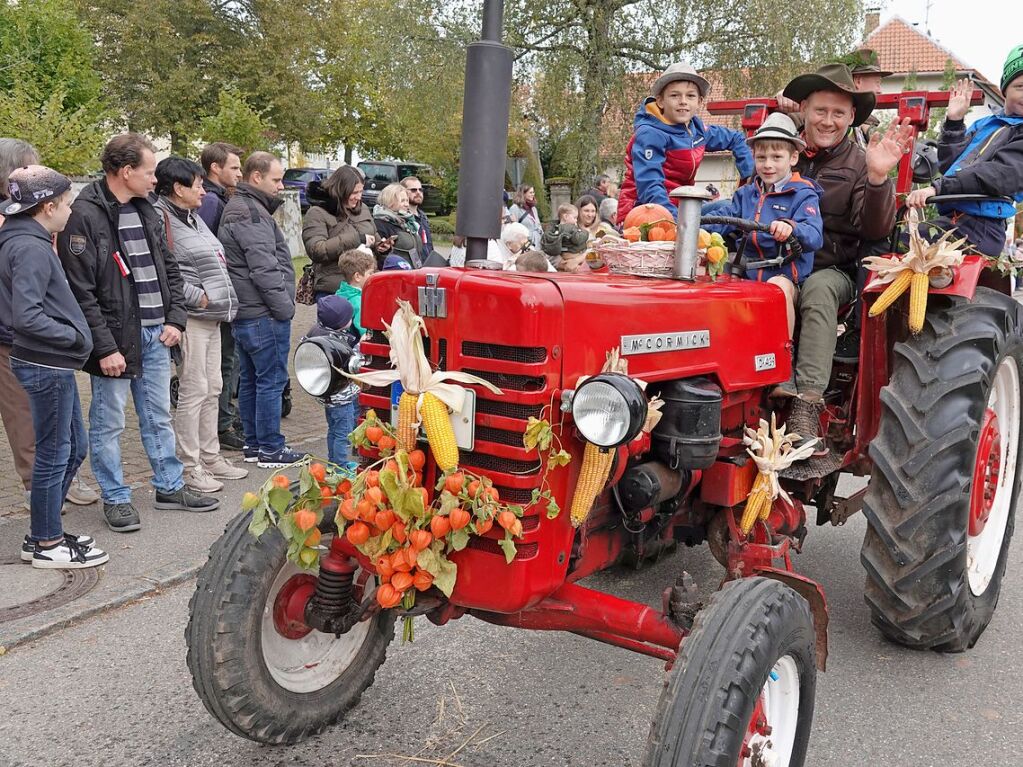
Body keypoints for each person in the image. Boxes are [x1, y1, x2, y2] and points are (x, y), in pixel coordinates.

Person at [57, 133, 219, 531]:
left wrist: (175, 319)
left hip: (156, 335)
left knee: (157, 415)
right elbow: (81, 291)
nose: (155, 179)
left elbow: (170, 268)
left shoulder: (149, 209)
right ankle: (115, 497)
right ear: (125, 171)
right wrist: (105, 348)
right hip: (114, 341)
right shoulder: (85, 214)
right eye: (149, 171)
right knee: (109, 422)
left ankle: (169, 485)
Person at [773, 64, 912, 473]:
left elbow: (873, 228)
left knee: (816, 290)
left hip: (834, 269)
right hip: (777, 266)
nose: (828, 121)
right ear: (804, 109)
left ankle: (805, 407)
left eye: (838, 113)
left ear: (852, 117)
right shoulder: (782, 153)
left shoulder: (857, 162)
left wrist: (876, 178)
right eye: (820, 111)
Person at [0, 166, 107, 568]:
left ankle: (43, 531)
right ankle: (46, 542)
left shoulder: (27, 238)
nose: (70, 211)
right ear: (47, 207)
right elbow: (25, 316)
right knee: (53, 453)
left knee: (73, 447)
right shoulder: (29, 247)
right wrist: (75, 338)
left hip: (49, 363)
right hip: (44, 363)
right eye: (66, 204)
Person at [154, 157, 247, 493]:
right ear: (178, 188)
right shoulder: (160, 218)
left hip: (212, 317)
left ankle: (210, 457)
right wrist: (198, 297)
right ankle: (189, 464)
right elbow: (163, 270)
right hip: (191, 317)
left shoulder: (191, 218)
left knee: (214, 387)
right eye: (198, 184)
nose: (204, 190)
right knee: (194, 390)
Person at [702, 113, 823, 347]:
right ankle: (720, 350)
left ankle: (782, 357)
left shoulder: (803, 194)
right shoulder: (746, 194)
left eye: (777, 157)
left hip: (784, 275)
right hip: (745, 272)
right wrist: (694, 225)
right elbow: (725, 219)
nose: (768, 164)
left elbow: (814, 235)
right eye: (761, 157)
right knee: (708, 279)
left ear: (793, 157)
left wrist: (791, 227)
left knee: (777, 290)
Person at [220, 151, 304, 468]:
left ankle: (256, 445)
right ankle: (270, 447)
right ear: (257, 177)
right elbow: (263, 268)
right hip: (262, 314)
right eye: (277, 179)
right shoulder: (250, 213)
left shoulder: (244, 208)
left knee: (254, 381)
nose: (281, 186)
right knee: (270, 381)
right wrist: (284, 308)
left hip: (250, 313)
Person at [904, 48, 1023, 257]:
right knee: (894, 237)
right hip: (953, 218)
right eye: (1020, 86)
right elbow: (951, 166)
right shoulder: (984, 124)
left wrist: (937, 189)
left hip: (982, 226)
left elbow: (996, 175)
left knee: (898, 243)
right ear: (1005, 89)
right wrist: (954, 122)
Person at [617, 62, 754, 224]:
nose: (683, 101)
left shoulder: (697, 130)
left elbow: (736, 139)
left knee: (732, 211)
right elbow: (650, 186)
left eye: (690, 96)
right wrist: (678, 223)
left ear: (699, 102)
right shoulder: (650, 134)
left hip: (683, 207)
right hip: (646, 210)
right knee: (713, 224)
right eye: (674, 96)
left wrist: (750, 177)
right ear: (660, 101)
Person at [194, 142, 245, 451]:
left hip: (220, 294)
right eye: (235, 167)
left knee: (226, 361)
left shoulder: (220, 197)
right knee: (222, 362)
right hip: (214, 296)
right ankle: (221, 424)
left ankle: (224, 417)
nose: (239, 173)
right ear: (216, 168)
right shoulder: (212, 203)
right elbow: (210, 251)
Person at [303, 165, 378, 299]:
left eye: (360, 192)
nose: (359, 197)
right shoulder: (317, 212)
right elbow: (317, 250)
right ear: (341, 190)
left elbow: (373, 235)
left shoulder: (363, 208)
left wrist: (381, 246)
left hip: (365, 285)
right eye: (354, 193)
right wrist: (356, 240)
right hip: (334, 288)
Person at [303, 295, 359, 468]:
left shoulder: (315, 334)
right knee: (344, 432)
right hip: (342, 397)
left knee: (333, 430)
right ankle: (341, 465)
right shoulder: (338, 343)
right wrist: (360, 347)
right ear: (341, 322)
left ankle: (332, 462)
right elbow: (352, 363)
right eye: (350, 318)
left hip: (327, 396)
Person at [372, 182, 425, 269]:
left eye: (407, 200)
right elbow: (380, 257)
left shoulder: (409, 222)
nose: (407, 204)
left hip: (414, 273)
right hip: (395, 275)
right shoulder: (380, 223)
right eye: (402, 201)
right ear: (390, 201)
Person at [335, 247, 377, 339]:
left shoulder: (341, 292)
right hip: (355, 343)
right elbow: (365, 331)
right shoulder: (358, 301)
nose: (373, 276)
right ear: (357, 276)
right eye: (370, 273)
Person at [541, 204, 590, 270]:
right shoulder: (569, 228)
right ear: (566, 216)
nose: (576, 220)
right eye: (574, 218)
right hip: (572, 253)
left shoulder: (555, 229)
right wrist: (585, 232)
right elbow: (577, 239)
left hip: (562, 257)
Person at [401, 176, 434, 255]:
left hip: (427, 264)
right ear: (403, 192)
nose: (418, 192)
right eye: (413, 190)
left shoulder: (423, 216)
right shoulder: (401, 217)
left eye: (420, 190)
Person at [507, 185, 543, 249]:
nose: (533, 194)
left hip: (538, 242)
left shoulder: (533, 208)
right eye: (530, 192)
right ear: (523, 194)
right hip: (525, 244)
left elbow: (538, 224)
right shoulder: (515, 208)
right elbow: (512, 228)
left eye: (533, 192)